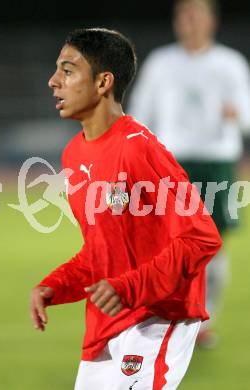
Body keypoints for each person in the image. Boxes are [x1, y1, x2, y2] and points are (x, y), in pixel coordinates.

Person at [29, 28, 222, 389]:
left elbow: (201, 238)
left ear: (104, 82)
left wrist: (130, 287)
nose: (54, 81)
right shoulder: (75, 154)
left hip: (157, 317)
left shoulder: (140, 149)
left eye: (68, 71)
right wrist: (57, 285)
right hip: (106, 324)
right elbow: (103, 250)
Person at [128, 0, 250, 348]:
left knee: (212, 248)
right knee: (166, 245)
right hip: (172, 163)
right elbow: (140, 111)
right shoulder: (161, 63)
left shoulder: (230, 63)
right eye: (184, 16)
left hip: (216, 162)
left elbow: (247, 113)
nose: (190, 22)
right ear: (176, 22)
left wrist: (237, 114)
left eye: (197, 15)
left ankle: (202, 320)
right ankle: (166, 315)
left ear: (212, 21)